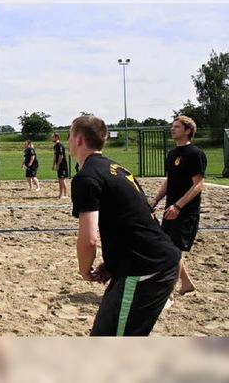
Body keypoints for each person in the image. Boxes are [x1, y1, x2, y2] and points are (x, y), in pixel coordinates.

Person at [69, 115, 180, 336]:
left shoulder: (87, 178)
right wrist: (113, 264)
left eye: (70, 135)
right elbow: (134, 218)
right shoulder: (116, 168)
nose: (68, 141)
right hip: (147, 264)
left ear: (79, 139)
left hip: (146, 270)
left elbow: (89, 239)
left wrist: (84, 270)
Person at [149, 116, 206, 296]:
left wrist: (178, 206)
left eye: (177, 127)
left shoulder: (195, 154)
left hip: (185, 211)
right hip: (170, 209)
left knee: (173, 250)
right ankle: (186, 283)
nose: (172, 129)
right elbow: (170, 180)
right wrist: (156, 199)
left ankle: (168, 290)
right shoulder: (172, 154)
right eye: (172, 126)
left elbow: (198, 185)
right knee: (169, 248)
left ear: (188, 130)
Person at [52, 133, 68, 198]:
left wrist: (58, 165)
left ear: (56, 137)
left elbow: (61, 156)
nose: (51, 138)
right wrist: (53, 164)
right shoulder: (55, 146)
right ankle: (63, 194)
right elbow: (55, 156)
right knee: (60, 180)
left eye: (53, 137)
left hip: (62, 165)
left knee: (61, 180)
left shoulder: (59, 145)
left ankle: (63, 194)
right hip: (59, 165)